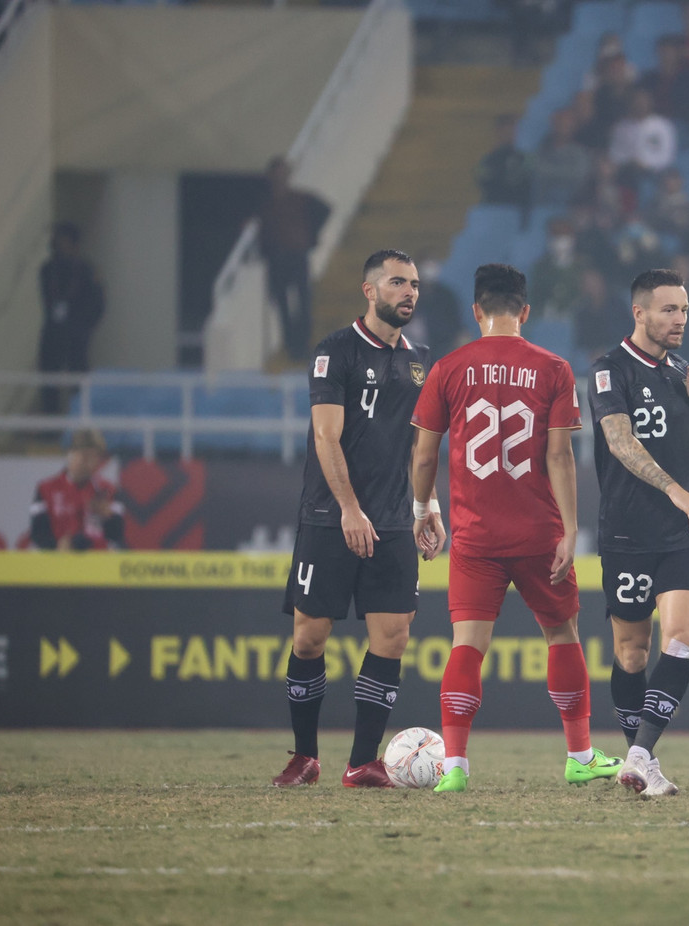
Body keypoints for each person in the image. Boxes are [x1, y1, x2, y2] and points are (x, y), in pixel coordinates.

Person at [409, 263, 622, 793]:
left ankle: (454, 767)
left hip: (475, 536)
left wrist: (422, 509)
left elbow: (423, 455)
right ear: (525, 311)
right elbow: (560, 456)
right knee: (562, 634)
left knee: (467, 645)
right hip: (538, 533)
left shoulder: (448, 368)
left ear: (476, 310)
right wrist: (570, 529)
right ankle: (580, 755)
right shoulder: (553, 368)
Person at [272, 250, 429, 789]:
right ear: (369, 290)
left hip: (392, 521)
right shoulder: (334, 351)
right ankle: (305, 756)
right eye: (397, 282)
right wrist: (349, 508)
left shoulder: (420, 360)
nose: (408, 292)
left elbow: (419, 447)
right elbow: (326, 436)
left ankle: (363, 762)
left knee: (393, 637)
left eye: (414, 284)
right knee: (309, 637)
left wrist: (425, 508)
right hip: (329, 517)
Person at [588, 268, 689, 796]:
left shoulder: (682, 371)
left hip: (684, 533)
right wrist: (674, 489)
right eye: (669, 309)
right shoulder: (608, 370)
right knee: (632, 653)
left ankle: (638, 757)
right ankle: (644, 759)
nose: (680, 319)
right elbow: (620, 442)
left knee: (680, 640)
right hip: (627, 533)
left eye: (684, 309)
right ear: (639, 312)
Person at [258, 156, 331, 361]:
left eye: (283, 173)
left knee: (303, 301)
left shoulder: (300, 199)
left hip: (297, 255)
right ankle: (292, 345)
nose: (280, 178)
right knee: (282, 304)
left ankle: (302, 344)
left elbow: (324, 210)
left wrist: (311, 236)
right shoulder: (267, 203)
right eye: (277, 173)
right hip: (276, 258)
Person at [38, 223, 105, 414]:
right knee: (49, 377)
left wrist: (84, 328)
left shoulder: (86, 270)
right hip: (53, 332)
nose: (61, 247)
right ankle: (50, 420)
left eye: (65, 242)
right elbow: (49, 299)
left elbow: (98, 304)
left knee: (78, 378)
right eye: (58, 243)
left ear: (75, 245)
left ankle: (79, 418)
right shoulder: (48, 270)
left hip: (77, 332)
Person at [28, 429, 124, 551]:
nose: (90, 463)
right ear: (71, 454)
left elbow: (117, 536)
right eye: (85, 456)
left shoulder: (108, 490)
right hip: (58, 559)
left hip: (97, 559)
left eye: (95, 457)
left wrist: (108, 517)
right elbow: (37, 533)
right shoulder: (46, 489)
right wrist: (56, 546)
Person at [475, 114, 532, 208]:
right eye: (507, 131)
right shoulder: (489, 160)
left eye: (514, 130)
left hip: (520, 209)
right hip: (495, 208)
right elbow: (484, 182)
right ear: (498, 131)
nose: (511, 134)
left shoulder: (526, 159)